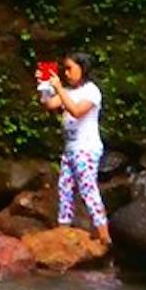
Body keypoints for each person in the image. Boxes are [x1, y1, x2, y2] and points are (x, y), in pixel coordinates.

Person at [40, 51, 111, 247]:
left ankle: (104, 234)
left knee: (88, 189)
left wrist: (59, 89)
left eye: (70, 68)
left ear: (83, 68)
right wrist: (46, 85)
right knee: (64, 189)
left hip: (86, 148)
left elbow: (77, 111)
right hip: (71, 149)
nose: (67, 73)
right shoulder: (69, 91)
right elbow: (49, 104)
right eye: (65, 69)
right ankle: (63, 231)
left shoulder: (91, 91)